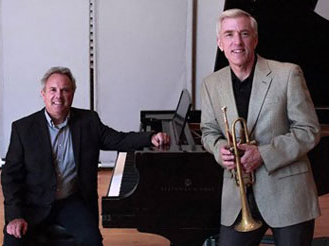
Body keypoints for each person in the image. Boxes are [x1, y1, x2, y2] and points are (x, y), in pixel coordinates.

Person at [1, 66, 170, 246]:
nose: (58, 96)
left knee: (92, 240)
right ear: (43, 94)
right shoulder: (23, 128)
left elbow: (119, 139)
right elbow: (10, 176)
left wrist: (150, 137)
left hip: (70, 202)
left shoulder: (88, 121)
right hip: (32, 204)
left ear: (72, 94)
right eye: (53, 90)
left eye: (65, 90)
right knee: (14, 242)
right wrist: (14, 216)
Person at [200, 8, 321, 246]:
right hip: (238, 198)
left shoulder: (287, 74)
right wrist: (219, 149)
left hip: (288, 194)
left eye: (244, 34)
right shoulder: (211, 84)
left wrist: (263, 154)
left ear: (255, 39)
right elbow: (208, 131)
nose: (237, 41)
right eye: (229, 34)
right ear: (220, 43)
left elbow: (309, 130)